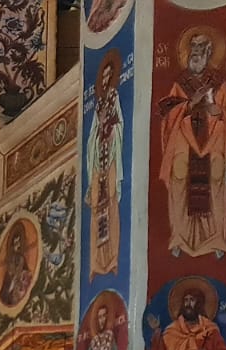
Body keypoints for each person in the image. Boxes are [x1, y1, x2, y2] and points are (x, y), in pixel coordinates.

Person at [157, 30, 226, 260]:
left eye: (201, 48)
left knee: (214, 185)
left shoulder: (219, 84)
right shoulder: (180, 84)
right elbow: (168, 117)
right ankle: (179, 238)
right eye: (193, 48)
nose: (196, 53)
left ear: (209, 52)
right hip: (184, 144)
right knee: (180, 183)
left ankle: (215, 240)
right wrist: (190, 104)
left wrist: (214, 109)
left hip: (212, 144)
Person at [86, 53, 123, 279]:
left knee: (111, 206)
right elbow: (91, 136)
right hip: (98, 164)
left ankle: (112, 260)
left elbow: (119, 124)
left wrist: (108, 129)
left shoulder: (114, 98)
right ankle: (96, 263)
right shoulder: (99, 104)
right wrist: (99, 128)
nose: (107, 79)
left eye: (110, 75)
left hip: (110, 161)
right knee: (96, 212)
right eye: (104, 76)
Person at [150, 283, 226, 350]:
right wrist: (156, 330)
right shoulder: (172, 331)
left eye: (192, 300)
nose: (188, 304)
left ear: (199, 303)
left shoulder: (210, 329)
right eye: (186, 300)